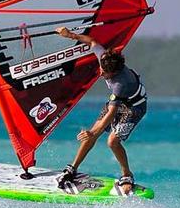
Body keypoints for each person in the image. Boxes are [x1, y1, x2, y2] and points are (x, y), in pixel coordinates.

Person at [54, 26, 147, 195]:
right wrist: (70, 35)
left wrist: (93, 131)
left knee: (112, 141)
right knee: (92, 134)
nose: (101, 73)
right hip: (117, 102)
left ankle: (127, 175)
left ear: (116, 72)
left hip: (134, 106)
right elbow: (92, 41)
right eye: (102, 69)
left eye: (106, 73)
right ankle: (72, 168)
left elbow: (111, 113)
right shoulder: (105, 58)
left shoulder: (120, 84)